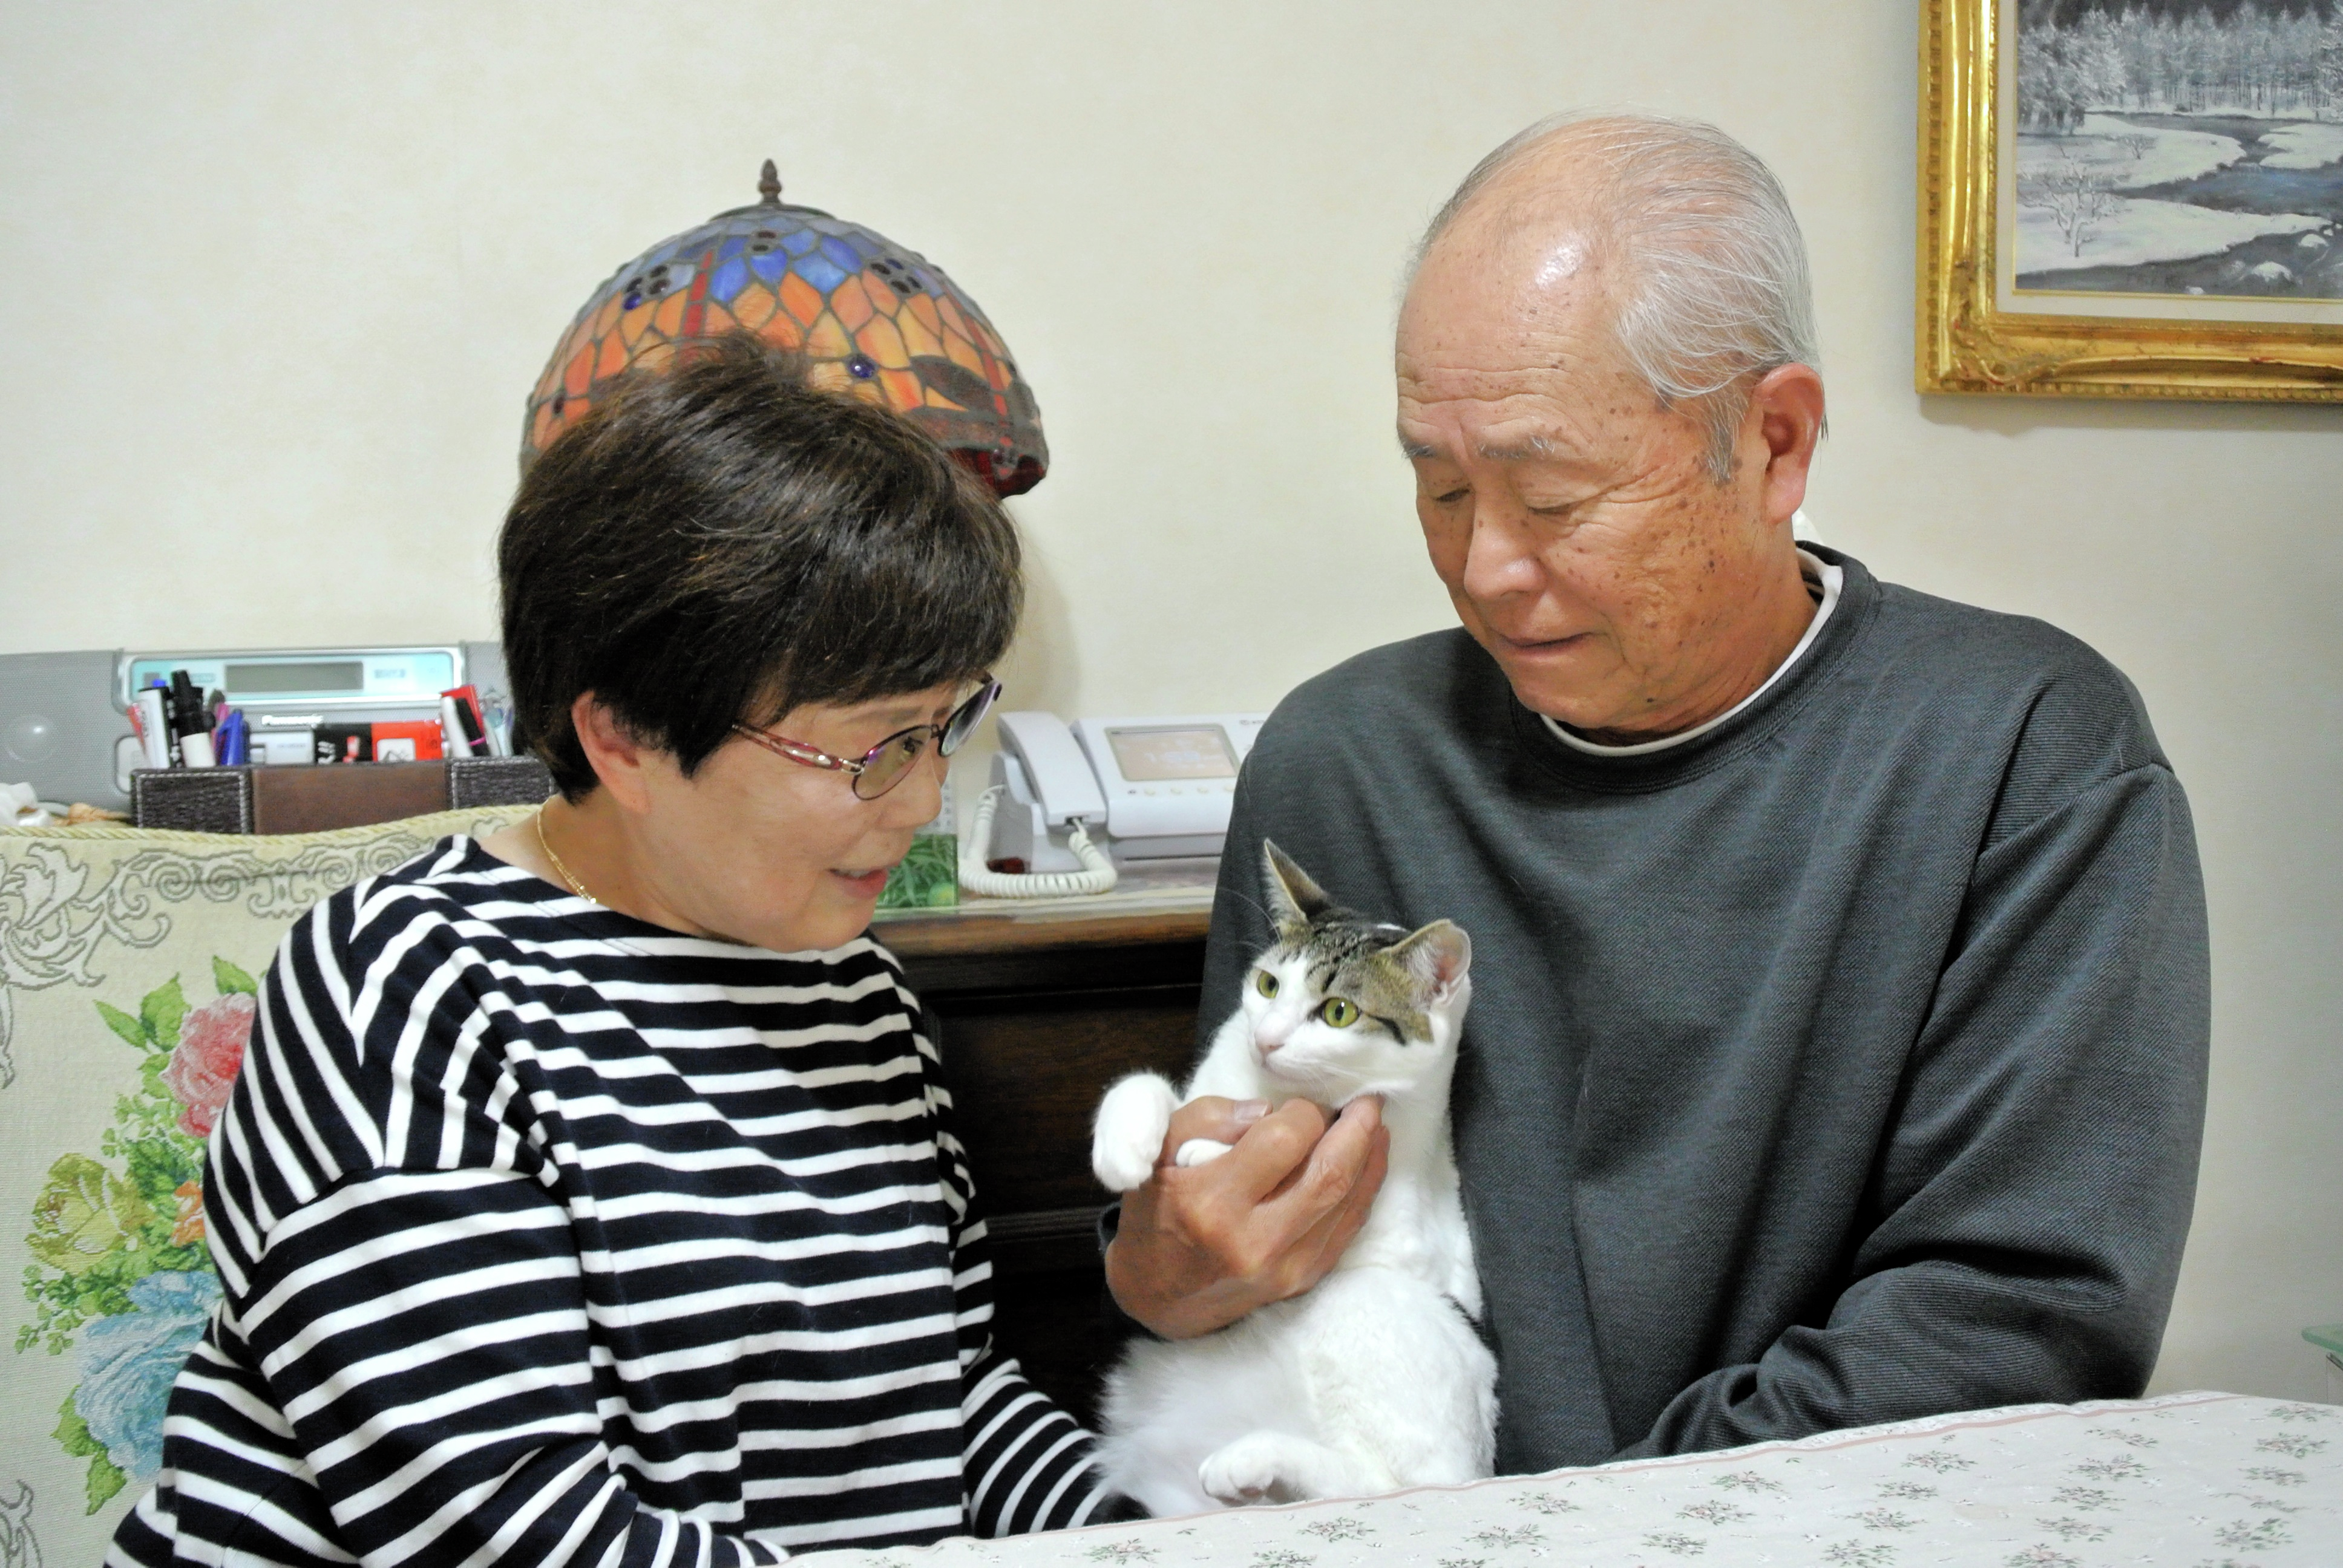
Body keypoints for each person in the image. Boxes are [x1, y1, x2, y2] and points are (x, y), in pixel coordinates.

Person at [1105, 112, 2210, 1472]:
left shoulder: (2023, 753)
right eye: (1439, 488)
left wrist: (1577, 1531)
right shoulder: (1348, 756)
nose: (1484, 566)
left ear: (1775, 442)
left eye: (1553, 497)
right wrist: (1168, 1266)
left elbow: (2009, 1324)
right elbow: (1248, 1237)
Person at [114, 336, 1132, 1566]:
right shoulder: (407, 991)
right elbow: (503, 1525)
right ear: (629, 737)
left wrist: (1151, 1530)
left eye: (944, 726)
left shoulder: (855, 993)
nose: (922, 800)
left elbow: (945, 1410)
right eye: (872, 748)